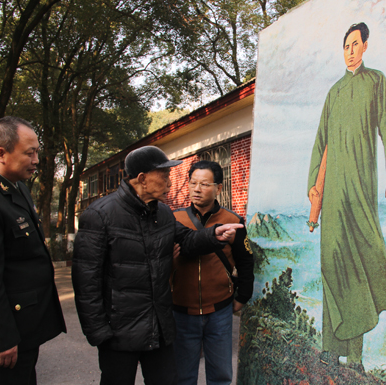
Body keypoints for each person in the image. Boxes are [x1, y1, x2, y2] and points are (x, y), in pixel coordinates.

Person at [72, 146, 242, 385]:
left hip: (159, 328)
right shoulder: (100, 215)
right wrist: (99, 333)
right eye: (163, 176)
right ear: (142, 179)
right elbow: (85, 281)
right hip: (119, 332)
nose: (170, 183)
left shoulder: (162, 212)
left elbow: (188, 240)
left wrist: (214, 234)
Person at [307, 22, 386, 368]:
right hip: (333, 197)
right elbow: (320, 142)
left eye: (355, 44)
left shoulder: (376, 81)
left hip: (361, 192)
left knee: (358, 266)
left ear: (365, 46)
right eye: (346, 46)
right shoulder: (334, 93)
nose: (350, 50)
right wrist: (314, 186)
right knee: (332, 264)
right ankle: (329, 347)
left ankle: (354, 356)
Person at [0, 116, 66, 385]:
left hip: (23, 330)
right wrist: (1, 340)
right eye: (30, 153)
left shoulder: (17, 188)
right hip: (1, 343)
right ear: (1, 154)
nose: (37, 159)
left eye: (37, 151)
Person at [172, 160, 254, 385]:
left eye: (204, 184)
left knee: (220, 376)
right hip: (181, 310)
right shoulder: (174, 220)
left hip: (219, 309)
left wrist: (242, 296)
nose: (197, 189)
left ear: (218, 188)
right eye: (193, 183)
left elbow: (246, 261)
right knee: (182, 376)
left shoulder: (233, 221)